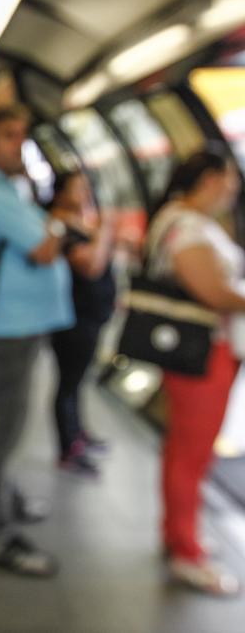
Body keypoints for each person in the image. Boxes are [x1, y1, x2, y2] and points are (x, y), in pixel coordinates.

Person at [0, 107, 74, 577]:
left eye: (22, 136)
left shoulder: (4, 190)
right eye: (8, 136)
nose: (19, 145)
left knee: (5, 426)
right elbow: (45, 248)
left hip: (15, 325)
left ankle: (3, 498)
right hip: (8, 329)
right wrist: (61, 221)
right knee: (4, 431)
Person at [145, 149, 245, 596]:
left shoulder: (186, 221)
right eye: (230, 179)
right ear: (210, 179)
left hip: (202, 351)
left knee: (185, 450)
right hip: (201, 354)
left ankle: (179, 533)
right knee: (192, 453)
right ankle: (187, 552)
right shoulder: (186, 226)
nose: (234, 189)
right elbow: (212, 292)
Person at [48, 170, 116, 477]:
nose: (86, 195)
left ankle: (77, 433)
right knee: (68, 382)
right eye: (79, 189)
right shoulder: (58, 225)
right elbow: (90, 265)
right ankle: (68, 446)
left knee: (76, 381)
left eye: (88, 189)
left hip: (89, 315)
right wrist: (105, 232)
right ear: (61, 192)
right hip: (74, 317)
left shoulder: (78, 224)